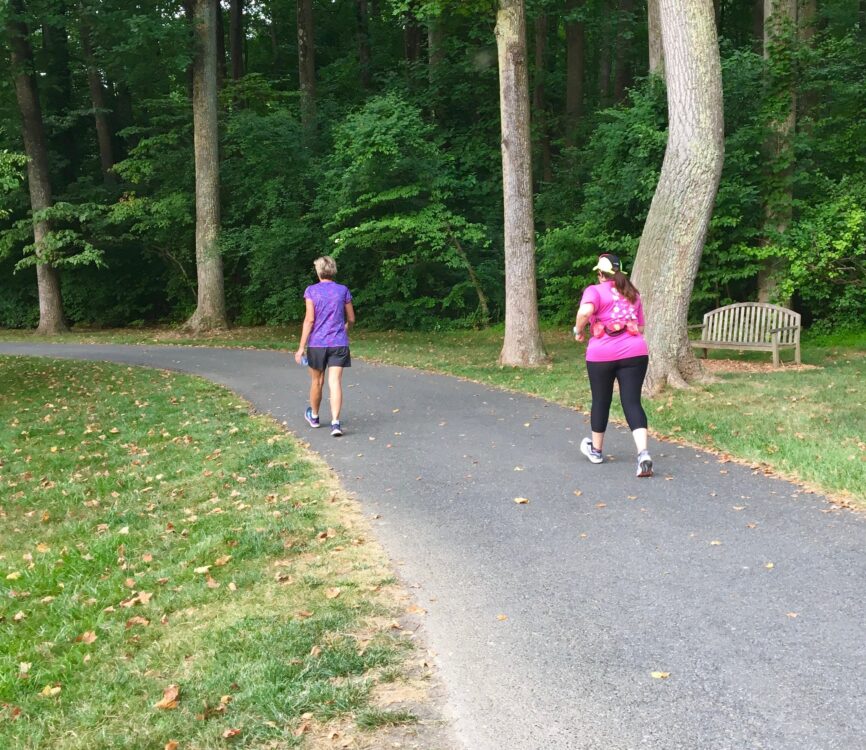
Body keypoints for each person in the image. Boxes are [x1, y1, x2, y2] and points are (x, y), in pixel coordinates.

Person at [573, 253, 653, 477]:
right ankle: (643, 454)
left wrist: (578, 330)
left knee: (601, 400)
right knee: (632, 402)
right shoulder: (633, 293)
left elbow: (585, 311)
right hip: (635, 353)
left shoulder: (594, 290)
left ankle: (596, 451)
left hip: (602, 355)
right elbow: (641, 327)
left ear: (600, 273)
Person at [294, 256, 355, 437]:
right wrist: (345, 329)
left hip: (317, 344)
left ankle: (314, 416)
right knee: (335, 382)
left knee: (317, 381)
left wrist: (300, 347)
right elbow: (351, 318)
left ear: (319, 271)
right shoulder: (343, 290)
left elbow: (310, 319)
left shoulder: (311, 291)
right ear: (333, 270)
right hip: (339, 343)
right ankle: (335, 423)